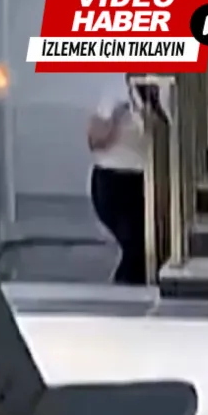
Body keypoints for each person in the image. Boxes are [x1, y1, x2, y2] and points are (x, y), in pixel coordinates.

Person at [88, 77, 151, 285]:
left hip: (143, 177)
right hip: (115, 177)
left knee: (139, 250)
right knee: (136, 248)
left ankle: (127, 287)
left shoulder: (164, 88)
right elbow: (95, 139)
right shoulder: (116, 90)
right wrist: (116, 117)